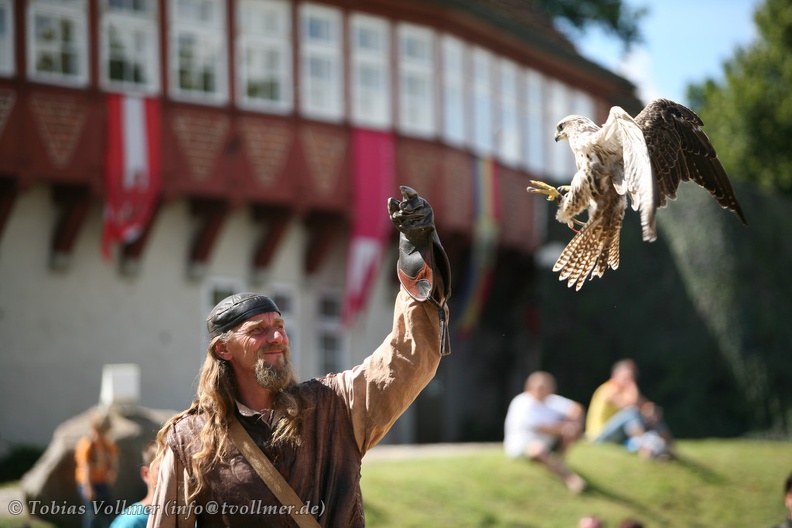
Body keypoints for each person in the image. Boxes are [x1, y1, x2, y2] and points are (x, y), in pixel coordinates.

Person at [146, 186, 451, 527]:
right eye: (257, 330)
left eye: (280, 326)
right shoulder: (190, 439)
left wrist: (416, 259)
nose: (277, 337)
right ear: (223, 349)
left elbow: (407, 357)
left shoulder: (336, 406)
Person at [504, 371, 587, 493]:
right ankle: (569, 477)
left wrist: (574, 424)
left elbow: (576, 409)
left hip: (547, 443)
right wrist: (566, 428)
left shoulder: (551, 401)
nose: (542, 391)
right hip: (521, 446)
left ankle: (560, 461)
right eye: (539, 388)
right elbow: (541, 427)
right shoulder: (522, 403)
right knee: (538, 448)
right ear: (529, 387)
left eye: (546, 388)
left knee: (568, 431)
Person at [585, 359, 673, 459]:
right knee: (631, 412)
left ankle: (670, 449)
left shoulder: (624, 392)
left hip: (618, 435)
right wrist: (632, 386)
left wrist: (651, 413)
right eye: (627, 377)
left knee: (651, 417)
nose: (629, 380)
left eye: (632, 377)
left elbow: (645, 406)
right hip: (598, 437)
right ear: (615, 375)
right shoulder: (608, 389)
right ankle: (645, 448)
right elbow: (630, 405)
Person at [74, 410, 118, 528]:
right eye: (99, 432)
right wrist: (88, 487)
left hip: (102, 482)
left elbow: (112, 460)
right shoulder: (87, 445)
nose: (101, 436)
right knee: (91, 514)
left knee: (108, 511)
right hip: (88, 483)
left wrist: (111, 472)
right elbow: (85, 467)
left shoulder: (106, 444)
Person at [109, 442, 161, 528]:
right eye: (161, 469)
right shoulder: (131, 522)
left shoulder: (186, 517)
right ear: (146, 474)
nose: (171, 474)